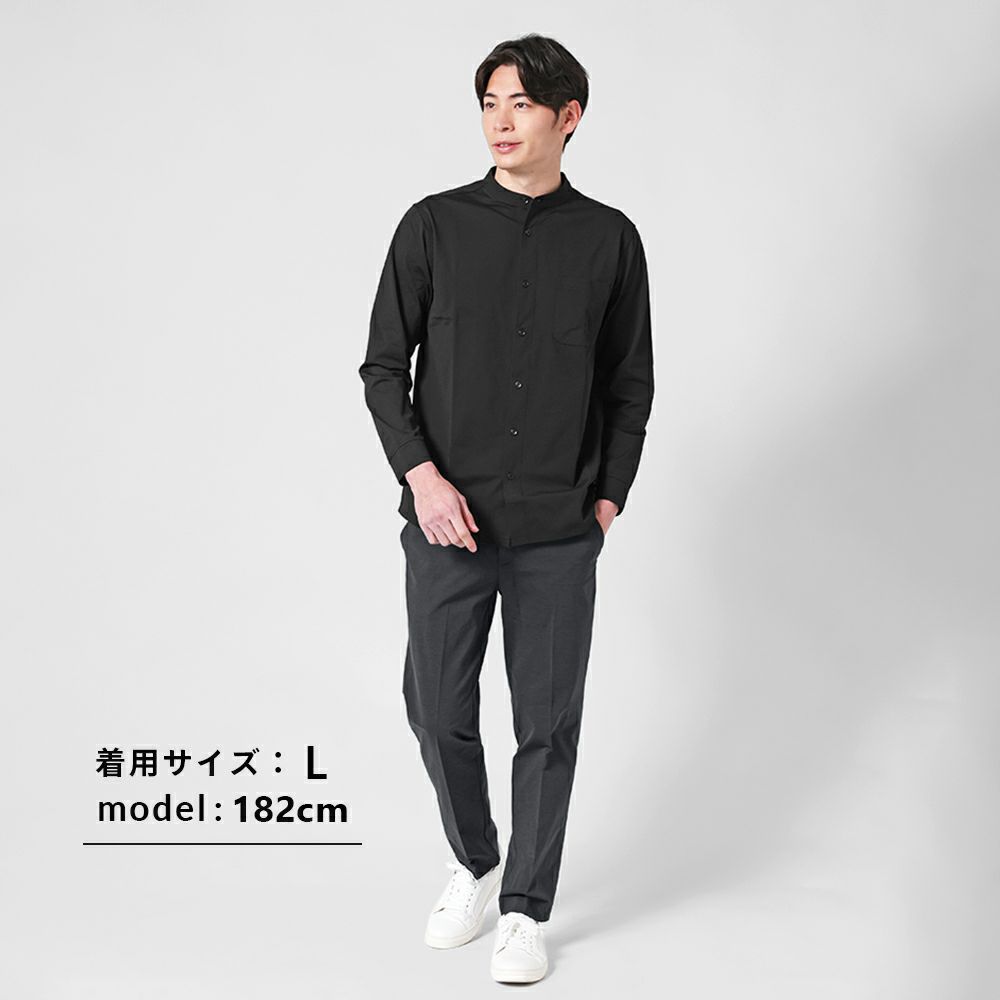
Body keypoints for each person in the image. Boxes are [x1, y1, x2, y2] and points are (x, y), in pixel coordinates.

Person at [359, 32, 654, 984]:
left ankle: (525, 908)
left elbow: (629, 385)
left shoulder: (610, 239)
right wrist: (422, 477)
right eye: (490, 102)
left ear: (569, 117)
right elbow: (382, 367)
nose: (500, 120)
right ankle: (477, 860)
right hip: (448, 521)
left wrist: (607, 499)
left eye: (521, 103)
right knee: (436, 708)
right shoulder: (433, 226)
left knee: (547, 724)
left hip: (559, 529)